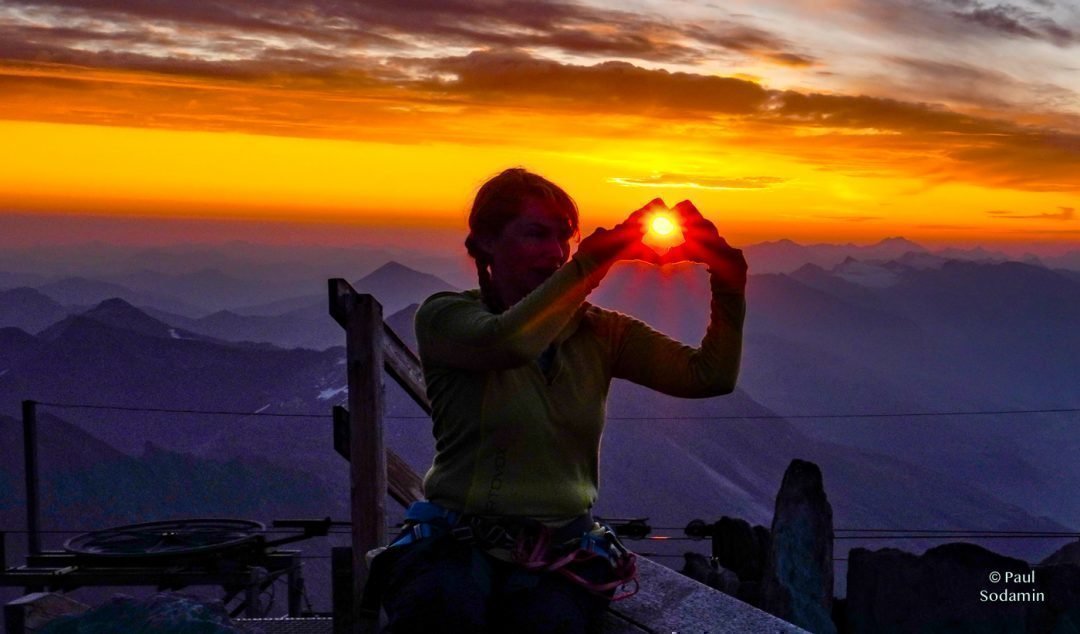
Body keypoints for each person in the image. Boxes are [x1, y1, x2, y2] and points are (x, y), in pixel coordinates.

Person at [373, 167, 747, 633]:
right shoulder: (446, 317)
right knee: (444, 611)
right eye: (536, 234)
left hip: (560, 548)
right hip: (454, 543)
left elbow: (708, 376)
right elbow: (508, 343)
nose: (554, 252)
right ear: (486, 241)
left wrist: (730, 280)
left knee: (548, 622)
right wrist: (590, 265)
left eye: (564, 238)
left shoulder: (600, 331)